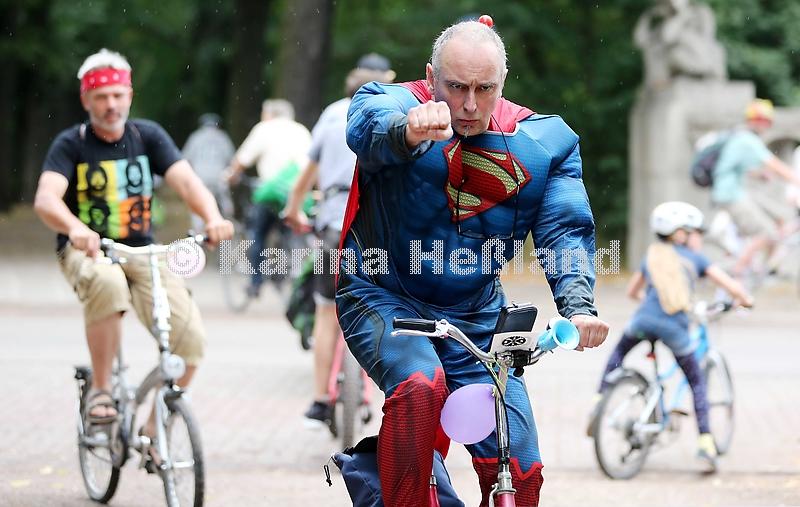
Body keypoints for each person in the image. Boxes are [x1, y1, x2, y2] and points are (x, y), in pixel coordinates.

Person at [338, 19, 610, 506]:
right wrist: (407, 130)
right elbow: (368, 125)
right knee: (420, 387)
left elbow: (565, 230)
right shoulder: (396, 103)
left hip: (477, 314)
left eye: (484, 89)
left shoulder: (546, 142)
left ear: (503, 82)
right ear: (431, 77)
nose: (468, 105)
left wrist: (579, 306)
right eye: (456, 87)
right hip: (381, 295)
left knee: (521, 473)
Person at [33, 50, 234, 440]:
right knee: (107, 283)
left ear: (129, 95)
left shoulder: (147, 136)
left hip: (142, 251)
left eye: (117, 95)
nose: (111, 105)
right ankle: (101, 389)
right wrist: (75, 228)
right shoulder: (71, 144)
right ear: (86, 100)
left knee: (190, 341)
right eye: (101, 97)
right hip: (89, 250)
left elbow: (188, 183)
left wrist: (212, 217)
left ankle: (154, 430)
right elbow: (46, 199)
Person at [589, 201, 752, 471]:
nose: (699, 238)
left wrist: (653, 305)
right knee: (696, 381)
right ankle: (706, 442)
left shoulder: (652, 255)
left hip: (641, 320)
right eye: (696, 232)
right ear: (680, 234)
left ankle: (599, 399)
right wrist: (745, 299)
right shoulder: (697, 259)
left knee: (618, 354)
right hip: (674, 328)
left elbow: (633, 292)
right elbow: (730, 286)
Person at [283, 53, 396, 425]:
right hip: (378, 231)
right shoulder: (394, 114)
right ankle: (384, 392)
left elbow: (305, 177)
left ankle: (320, 401)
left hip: (334, 226)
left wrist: (294, 210)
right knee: (381, 306)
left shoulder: (333, 116)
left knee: (325, 312)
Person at [226, 99, 311, 297]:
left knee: (257, 233)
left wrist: (231, 176)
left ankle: (256, 282)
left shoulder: (264, 129)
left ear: (269, 114)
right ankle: (287, 274)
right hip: (295, 194)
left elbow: (242, 159)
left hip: (270, 193)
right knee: (290, 232)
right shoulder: (301, 131)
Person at [710, 99, 800, 278]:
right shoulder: (748, 139)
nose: (767, 126)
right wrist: (796, 180)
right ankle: (737, 273)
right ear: (757, 121)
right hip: (731, 195)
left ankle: (757, 267)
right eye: (765, 121)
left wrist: (761, 175)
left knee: (777, 221)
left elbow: (742, 168)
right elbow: (775, 165)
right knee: (765, 232)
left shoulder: (739, 137)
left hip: (730, 193)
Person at [182, 113, 236, 231]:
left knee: (198, 202)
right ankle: (227, 227)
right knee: (224, 204)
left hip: (200, 176)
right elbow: (232, 160)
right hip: (219, 176)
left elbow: (185, 159)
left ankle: (198, 232)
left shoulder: (195, 137)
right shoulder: (223, 137)